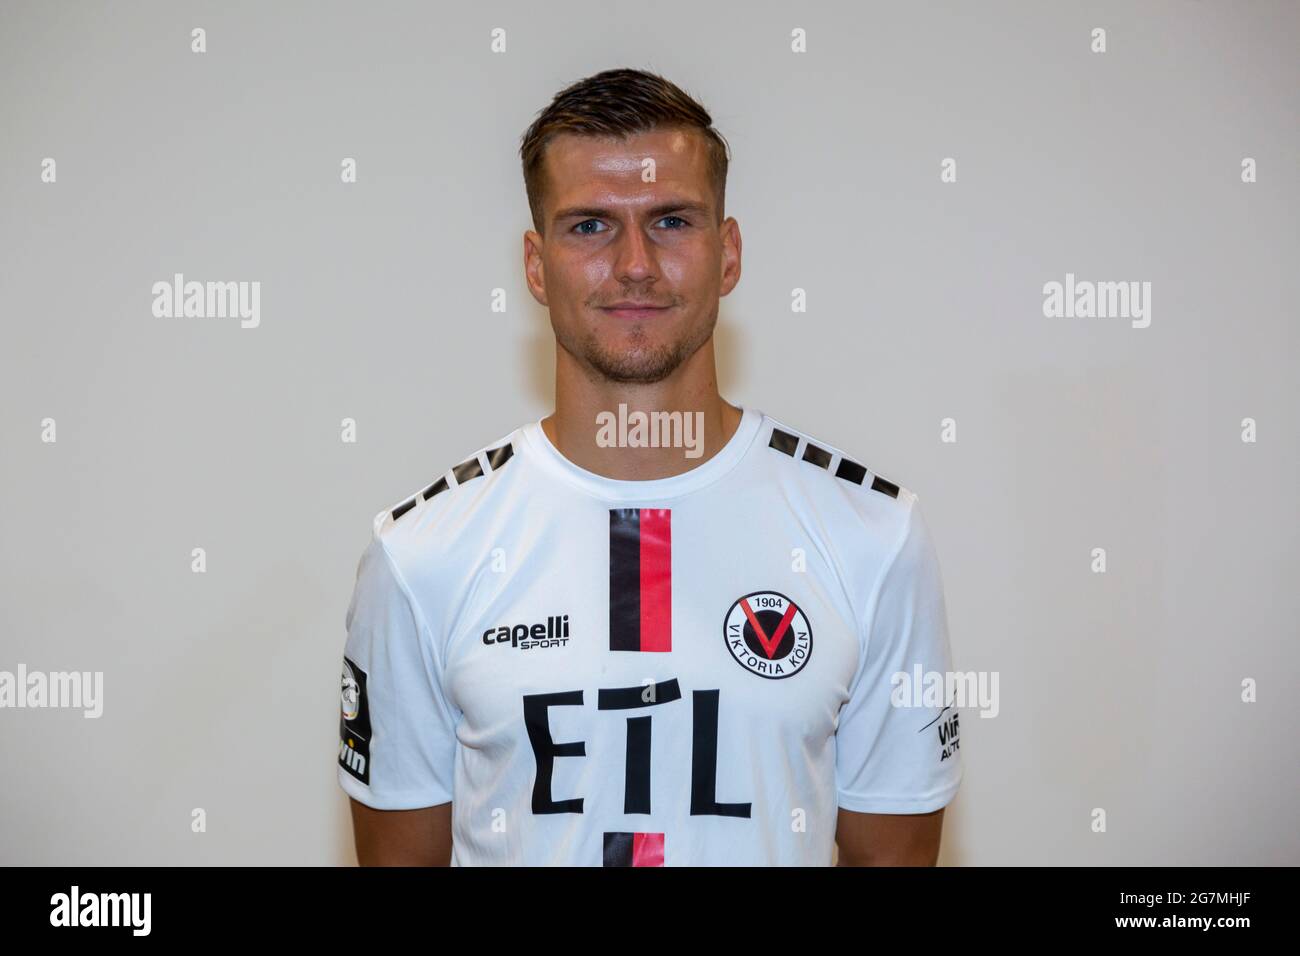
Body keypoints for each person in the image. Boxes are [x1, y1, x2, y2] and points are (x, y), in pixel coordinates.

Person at [337, 67, 961, 866]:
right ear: (535, 266)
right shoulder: (420, 555)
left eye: (671, 220)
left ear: (728, 254)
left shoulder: (873, 537)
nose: (635, 263)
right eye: (590, 226)